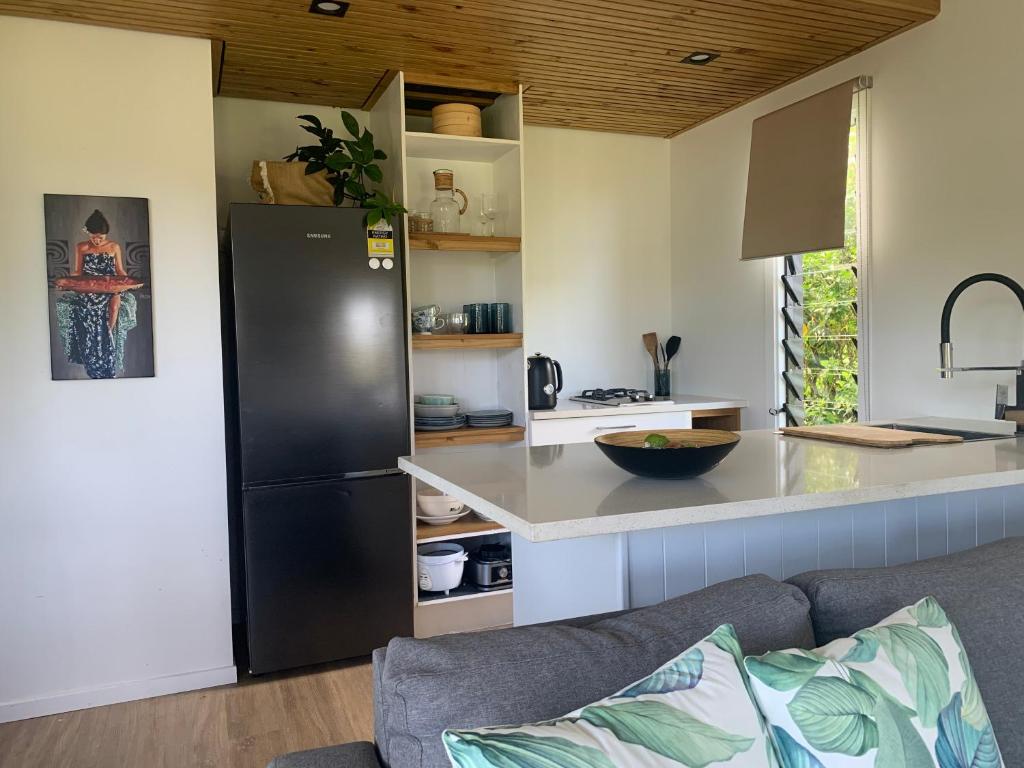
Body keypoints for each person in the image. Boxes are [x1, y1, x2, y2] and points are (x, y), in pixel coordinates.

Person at [57, 209, 137, 378]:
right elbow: (78, 272)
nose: (98, 240)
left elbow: (120, 270)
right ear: (88, 234)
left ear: (106, 235)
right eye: (94, 237)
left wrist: (129, 282)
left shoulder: (114, 247)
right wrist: (65, 282)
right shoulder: (82, 247)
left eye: (101, 237)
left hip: (109, 288)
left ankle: (107, 342)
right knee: (88, 310)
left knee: (114, 306)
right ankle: (92, 352)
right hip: (89, 288)